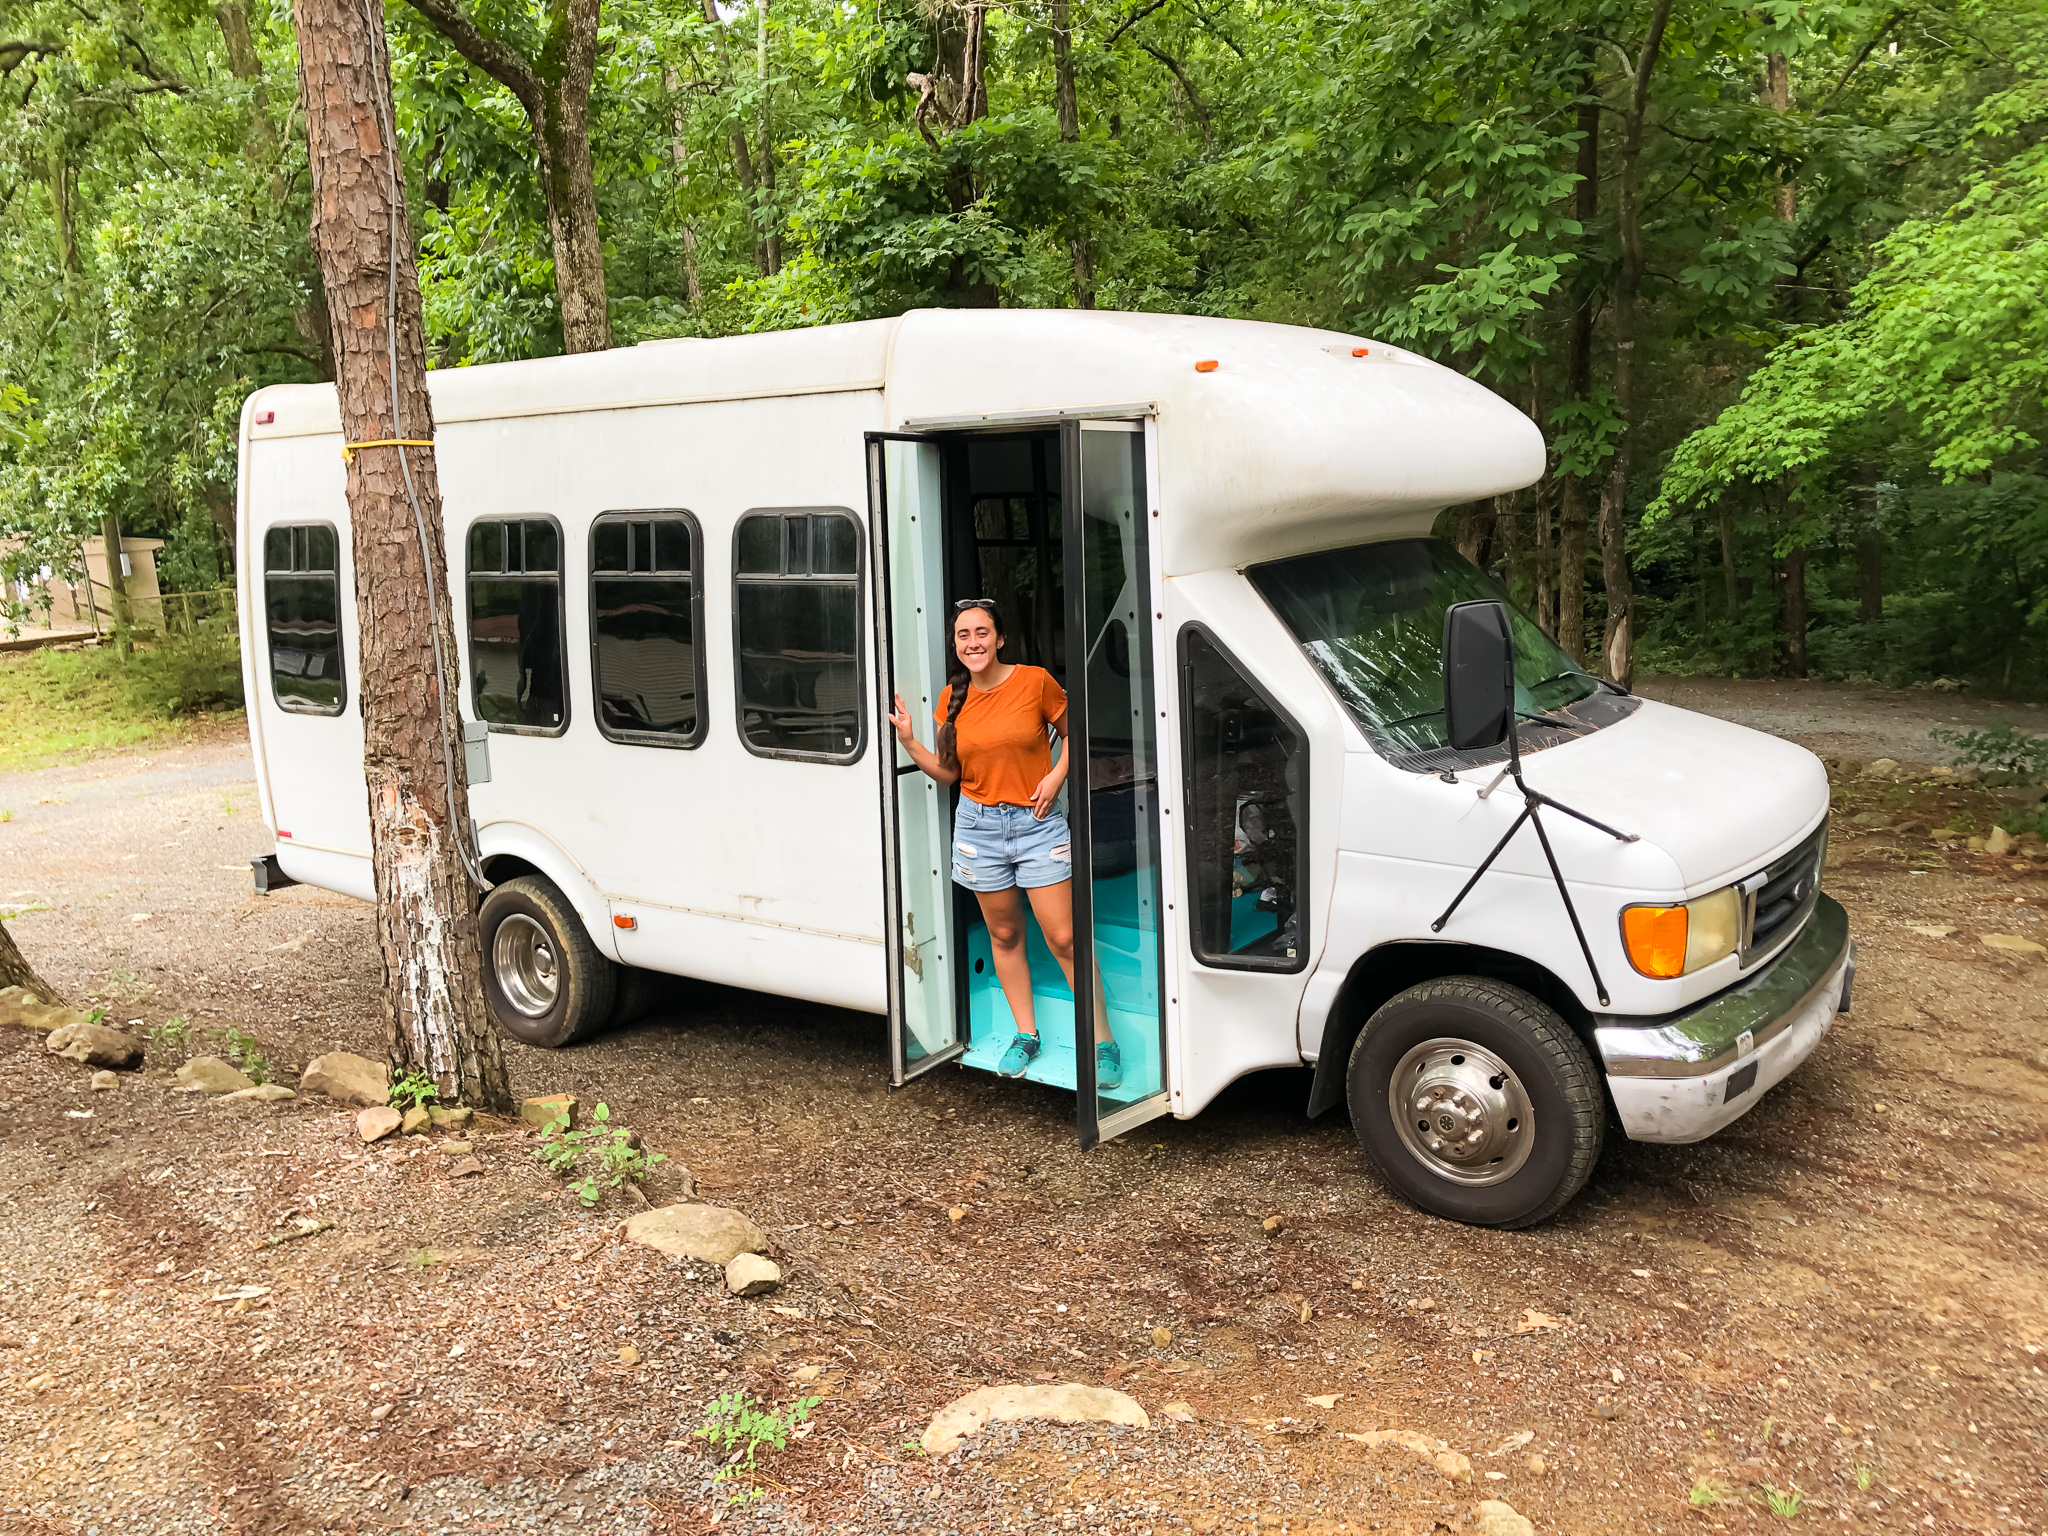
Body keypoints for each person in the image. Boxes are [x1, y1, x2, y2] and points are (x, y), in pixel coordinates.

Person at [887, 599, 1120, 1089]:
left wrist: (1058, 774)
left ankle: (1103, 1042)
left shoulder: (1034, 681)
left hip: (1037, 825)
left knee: (1063, 938)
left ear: (999, 638)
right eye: (963, 635)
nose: (972, 642)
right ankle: (1026, 1034)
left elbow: (1073, 730)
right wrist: (911, 742)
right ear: (956, 644)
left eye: (981, 633)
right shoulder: (952, 697)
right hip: (978, 830)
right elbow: (951, 774)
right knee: (1006, 937)